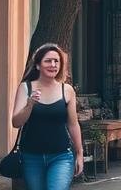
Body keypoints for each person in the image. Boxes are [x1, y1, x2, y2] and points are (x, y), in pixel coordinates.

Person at [11, 43, 84, 190]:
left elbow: (73, 124)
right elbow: (16, 122)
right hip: (31, 157)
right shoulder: (26, 88)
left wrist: (80, 153)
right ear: (38, 65)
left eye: (56, 61)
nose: (53, 65)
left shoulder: (67, 90)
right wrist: (30, 104)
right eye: (48, 61)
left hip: (61, 156)